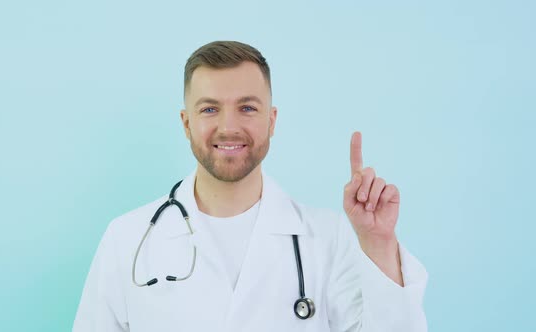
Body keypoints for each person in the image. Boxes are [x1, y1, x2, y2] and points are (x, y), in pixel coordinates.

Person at [73, 41, 428, 332]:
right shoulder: (127, 239)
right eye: (210, 109)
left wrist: (379, 243)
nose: (229, 126)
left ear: (272, 121)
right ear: (186, 123)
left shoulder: (328, 238)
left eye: (247, 107)